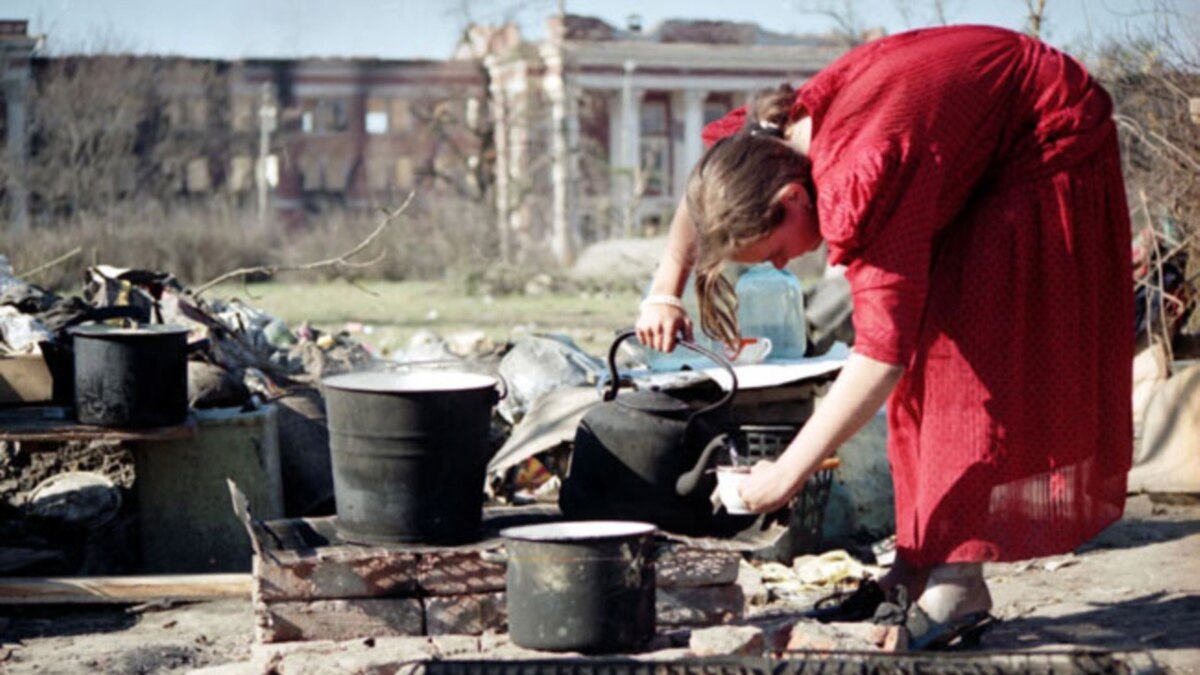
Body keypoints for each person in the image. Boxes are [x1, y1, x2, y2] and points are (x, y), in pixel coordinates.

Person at [635, 25, 1132, 650]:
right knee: (921, 354)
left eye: (778, 251)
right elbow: (709, 182)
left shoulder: (855, 179)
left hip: (1042, 135)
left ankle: (957, 587)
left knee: (957, 361)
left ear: (793, 200)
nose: (784, 266)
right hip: (975, 130)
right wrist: (665, 287)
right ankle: (913, 569)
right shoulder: (772, 143)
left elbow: (878, 359)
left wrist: (779, 480)